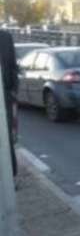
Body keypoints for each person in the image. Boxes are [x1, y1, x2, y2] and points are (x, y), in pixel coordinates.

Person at [0, 31, 19, 177]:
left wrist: (13, 90)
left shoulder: (5, 37)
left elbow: (13, 65)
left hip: (4, 94)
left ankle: (11, 174)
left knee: (5, 135)